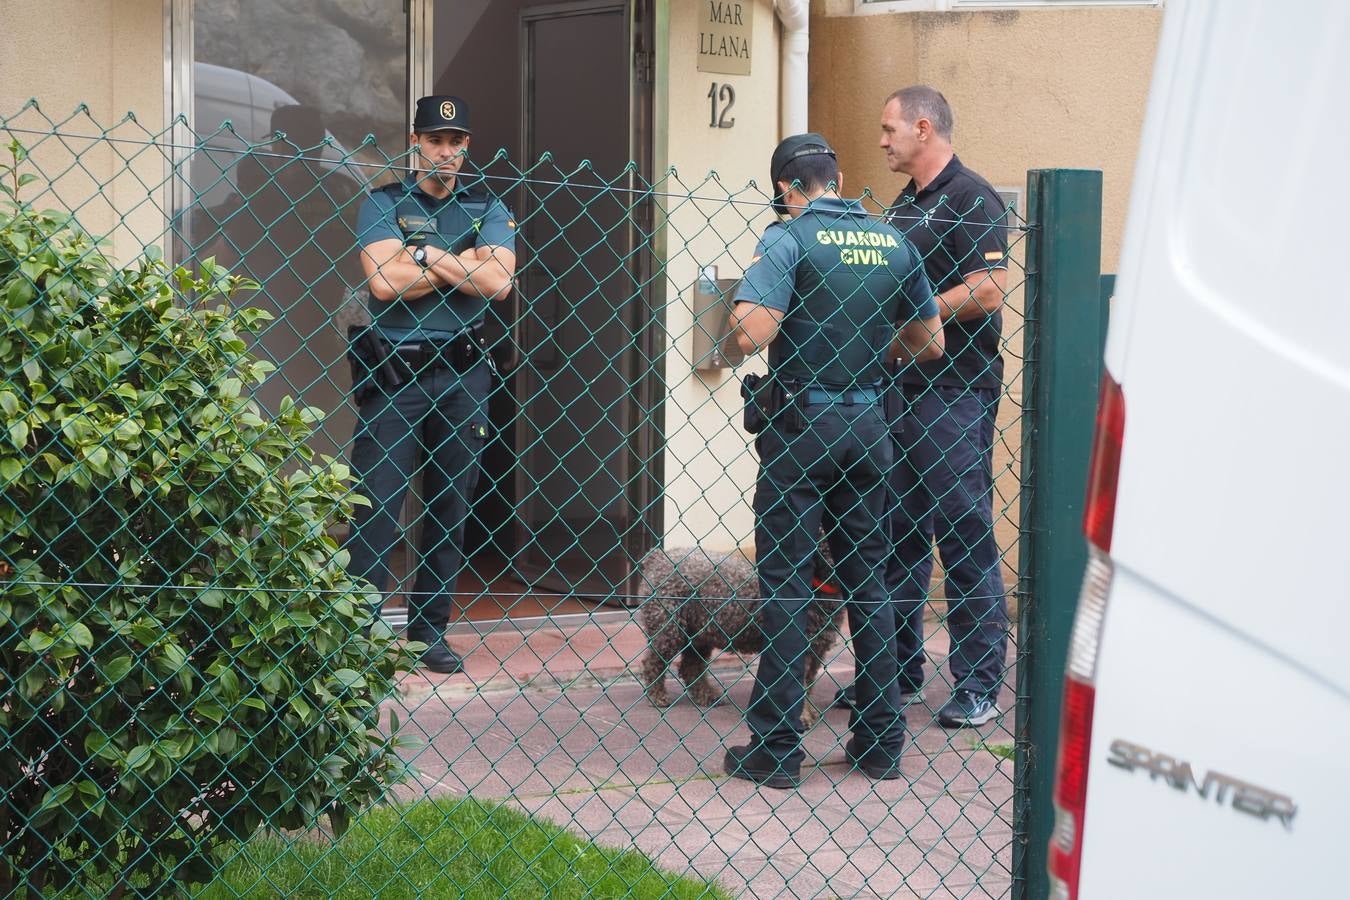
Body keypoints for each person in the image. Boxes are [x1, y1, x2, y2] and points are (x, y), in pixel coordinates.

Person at [721, 133, 944, 788]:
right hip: (871, 426)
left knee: (788, 585)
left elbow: (750, 331)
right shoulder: (891, 241)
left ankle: (777, 749)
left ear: (787, 189)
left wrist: (751, 302)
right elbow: (929, 340)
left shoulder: (787, 239)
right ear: (839, 176)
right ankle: (880, 744)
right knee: (868, 583)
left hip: (801, 429)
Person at [836, 86, 1011, 728]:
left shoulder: (972, 198)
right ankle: (895, 674)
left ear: (923, 125)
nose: (882, 141)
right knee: (895, 540)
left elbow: (989, 290)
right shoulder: (906, 208)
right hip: (899, 393)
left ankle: (978, 685)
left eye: (889, 130)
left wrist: (917, 313)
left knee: (963, 536)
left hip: (955, 391)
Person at [343, 95, 517, 673]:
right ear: (415, 141)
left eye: (456, 142)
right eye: (436, 141)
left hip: (465, 375)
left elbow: (498, 284)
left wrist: (425, 253)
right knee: (377, 507)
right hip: (395, 374)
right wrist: (461, 263)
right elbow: (384, 284)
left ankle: (428, 633)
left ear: (467, 147)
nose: (446, 152)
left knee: (449, 508)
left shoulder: (487, 205)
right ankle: (358, 634)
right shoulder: (383, 201)